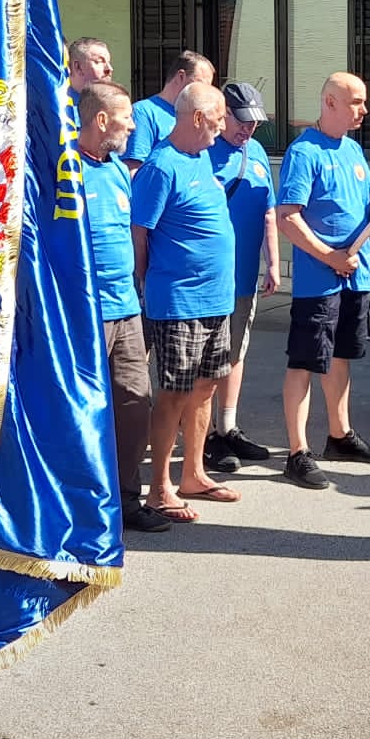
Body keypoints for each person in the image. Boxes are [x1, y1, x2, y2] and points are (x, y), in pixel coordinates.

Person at [276, 73, 370, 491]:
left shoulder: (352, 149)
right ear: (330, 102)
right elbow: (288, 217)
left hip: (355, 274)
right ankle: (297, 452)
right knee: (305, 361)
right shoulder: (304, 152)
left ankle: (339, 435)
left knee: (340, 356)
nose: (363, 110)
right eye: (356, 102)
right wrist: (329, 256)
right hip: (319, 280)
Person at [132, 81, 237, 522]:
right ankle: (160, 488)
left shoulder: (201, 158)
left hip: (216, 299)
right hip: (179, 301)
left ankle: (193, 473)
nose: (223, 125)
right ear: (197, 117)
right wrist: (146, 283)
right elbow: (140, 233)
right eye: (218, 117)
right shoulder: (161, 166)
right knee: (173, 393)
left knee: (206, 386)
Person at [78, 81, 168, 533]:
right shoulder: (66, 172)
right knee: (83, 411)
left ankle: (127, 500)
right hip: (84, 315)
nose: (132, 126)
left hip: (127, 309)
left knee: (135, 403)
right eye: (126, 117)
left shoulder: (117, 169)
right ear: (101, 120)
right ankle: (81, 506)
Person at [204, 81, 280, 472]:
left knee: (235, 353)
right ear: (223, 114)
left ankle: (227, 428)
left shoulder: (258, 153)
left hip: (244, 274)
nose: (247, 129)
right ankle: (203, 437)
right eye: (241, 121)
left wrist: (274, 262)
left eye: (254, 123)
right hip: (207, 278)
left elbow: (268, 210)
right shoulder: (202, 151)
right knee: (205, 362)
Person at [124, 51, 215, 170]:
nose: (204, 92)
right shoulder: (143, 113)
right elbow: (133, 169)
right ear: (181, 76)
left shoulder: (194, 115)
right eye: (200, 85)